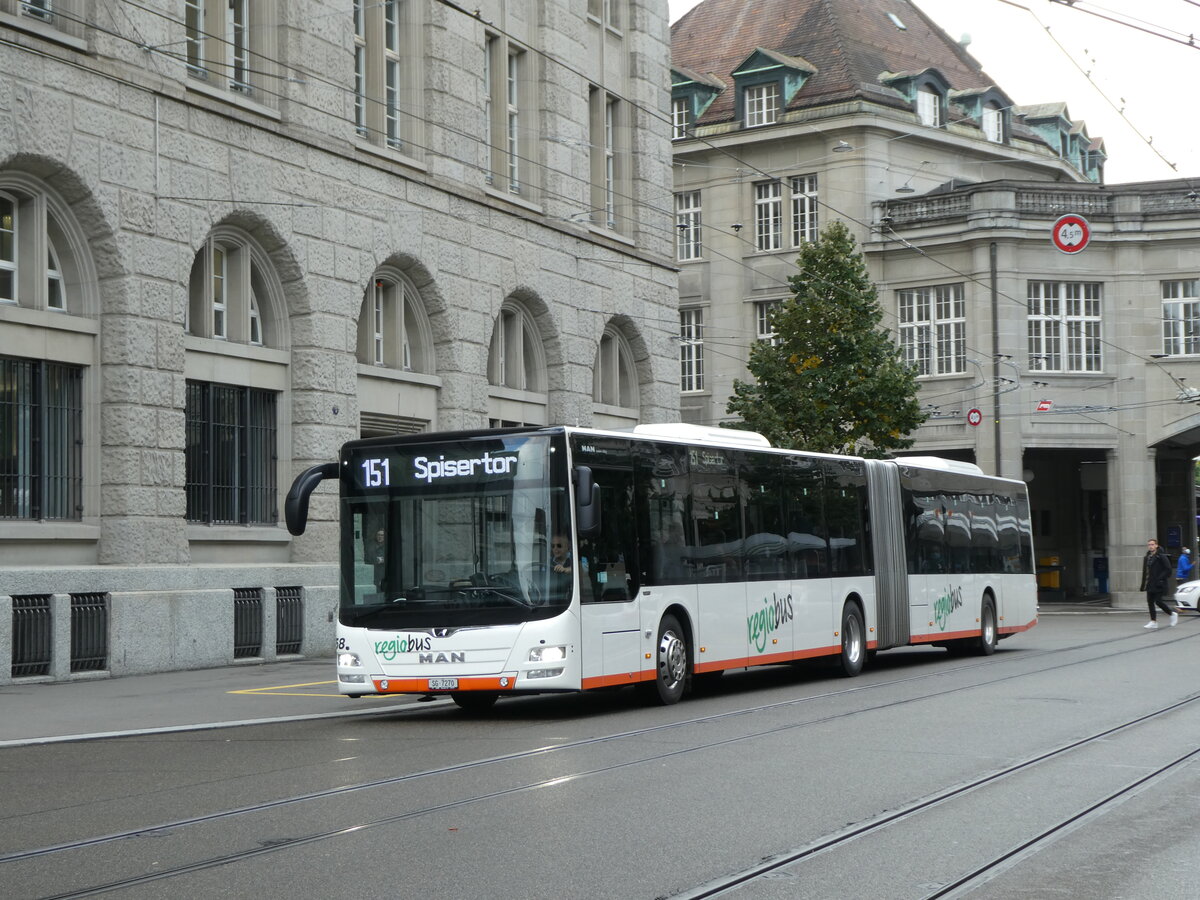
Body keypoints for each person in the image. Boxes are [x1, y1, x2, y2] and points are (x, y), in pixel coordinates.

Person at [1140, 538, 1178, 629]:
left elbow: (1168, 569)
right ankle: (1153, 621)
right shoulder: (1147, 557)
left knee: (1158, 601)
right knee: (1150, 602)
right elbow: (1146, 571)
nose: (1150, 546)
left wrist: (1160, 578)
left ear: (1156, 545)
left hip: (1159, 583)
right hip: (1150, 583)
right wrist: (1144, 583)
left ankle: (1172, 614)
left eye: (1152, 544)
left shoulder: (1161, 556)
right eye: (1149, 545)